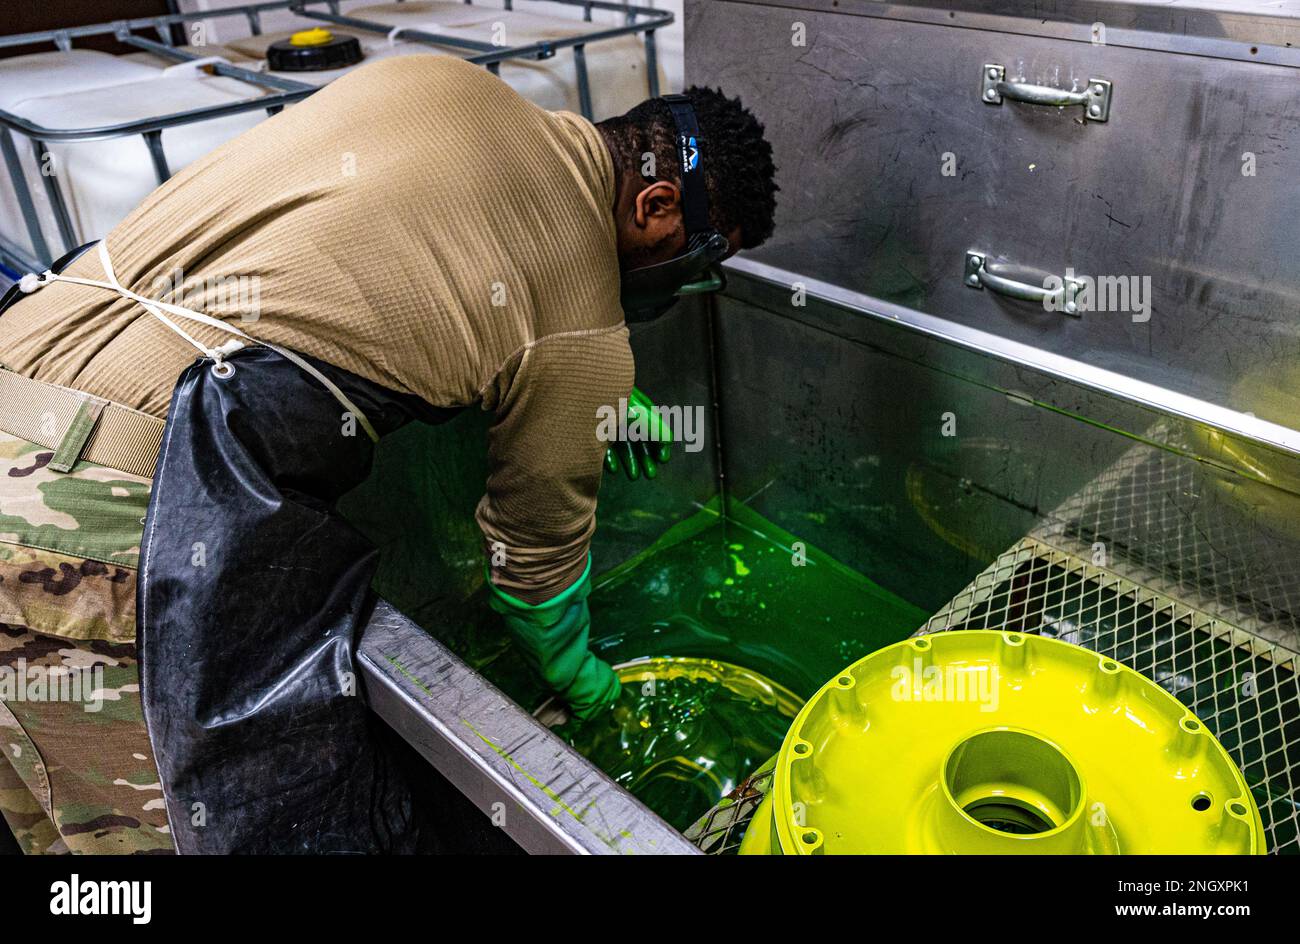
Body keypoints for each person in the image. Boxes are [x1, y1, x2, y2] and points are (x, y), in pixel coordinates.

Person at [0, 53, 777, 853]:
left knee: (43, 815)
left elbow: (415, 287)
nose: (692, 280)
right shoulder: (583, 336)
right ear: (654, 206)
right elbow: (532, 584)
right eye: (705, 254)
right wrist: (591, 689)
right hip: (89, 522)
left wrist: (594, 398)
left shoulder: (439, 80)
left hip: (19, 369)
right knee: (141, 847)